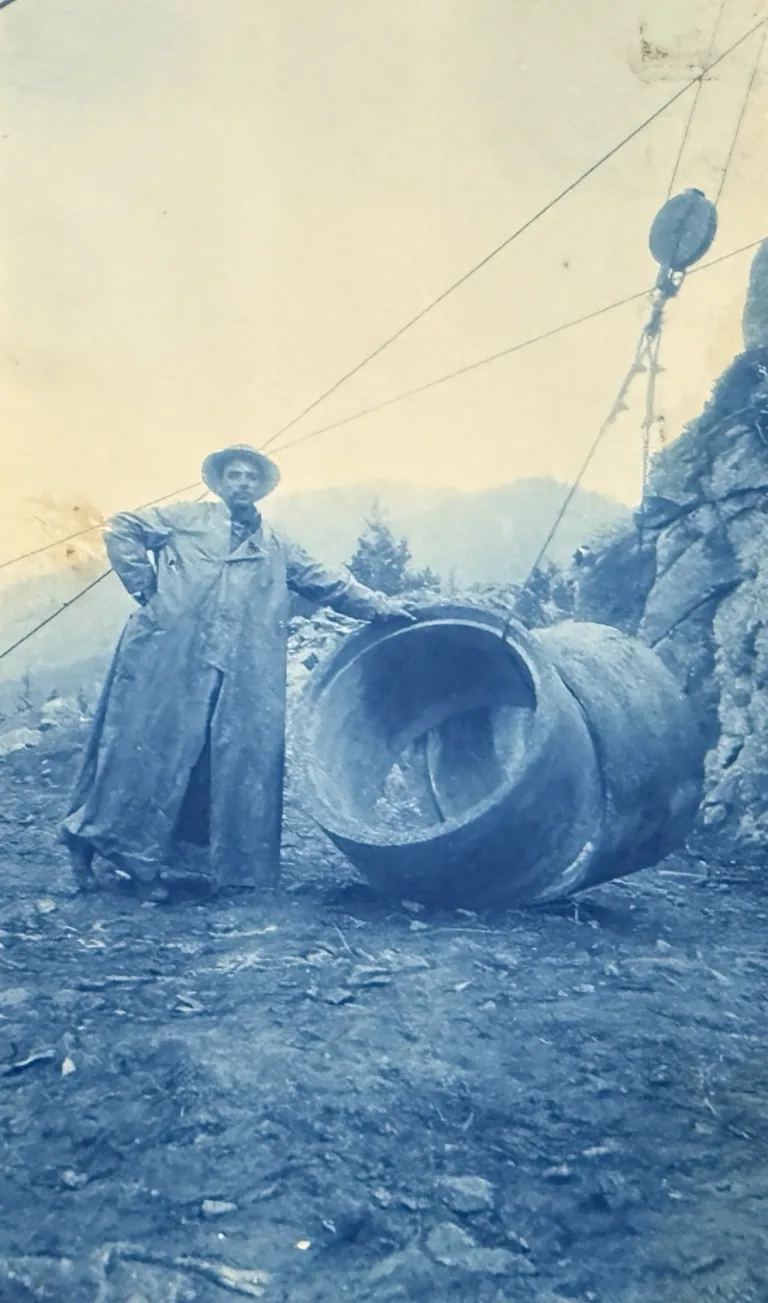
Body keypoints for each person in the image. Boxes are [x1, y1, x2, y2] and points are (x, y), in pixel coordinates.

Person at [61, 444, 413, 901]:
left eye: (250, 477)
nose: (242, 483)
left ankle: (193, 863)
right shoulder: (185, 519)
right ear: (219, 482)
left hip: (236, 668)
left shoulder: (274, 544)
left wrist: (380, 606)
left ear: (261, 487)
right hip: (167, 656)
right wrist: (148, 589)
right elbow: (122, 527)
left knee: (218, 761)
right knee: (143, 751)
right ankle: (96, 846)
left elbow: (328, 581)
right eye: (234, 475)